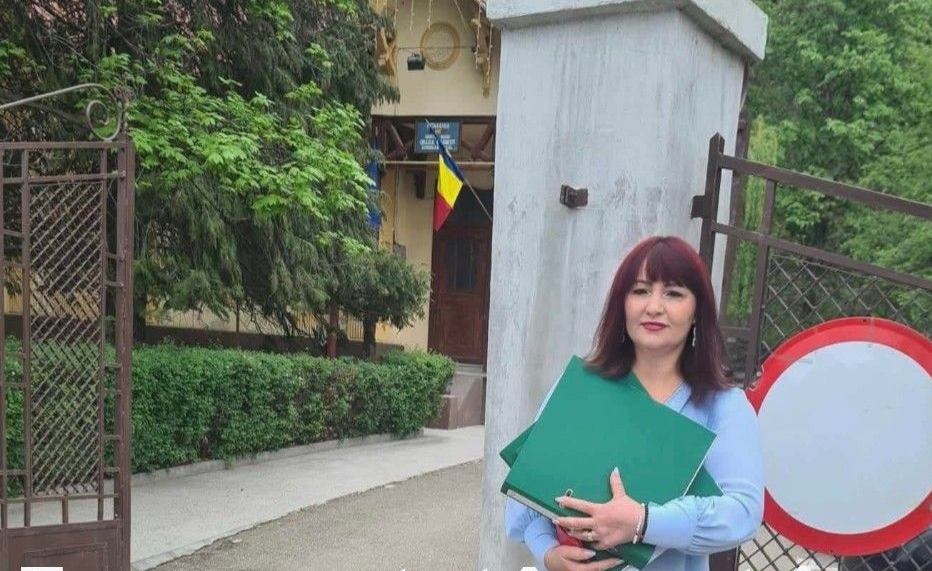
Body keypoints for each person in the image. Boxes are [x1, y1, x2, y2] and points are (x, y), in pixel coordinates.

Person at [504, 235, 764, 571]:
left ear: (697, 311)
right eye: (640, 291)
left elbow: (743, 513)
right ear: (622, 304)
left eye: (673, 293)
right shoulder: (582, 388)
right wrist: (548, 552)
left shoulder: (723, 406)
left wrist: (644, 521)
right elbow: (526, 488)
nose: (653, 307)